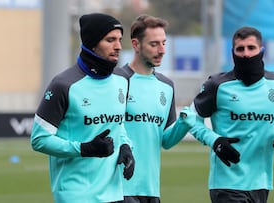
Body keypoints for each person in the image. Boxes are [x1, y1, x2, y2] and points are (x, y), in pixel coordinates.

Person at [30, 13, 135, 203]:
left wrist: (126, 146)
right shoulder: (63, 85)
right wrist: (83, 148)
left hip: (114, 192)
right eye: (110, 40)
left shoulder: (122, 80)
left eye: (119, 40)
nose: (118, 46)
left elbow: (117, 125)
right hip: (76, 194)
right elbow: (38, 139)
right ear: (92, 43)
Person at [188, 26, 274, 203]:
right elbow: (191, 119)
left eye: (251, 48)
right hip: (226, 185)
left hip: (261, 183)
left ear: (261, 50)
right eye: (240, 49)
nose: (246, 54)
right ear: (233, 52)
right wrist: (214, 140)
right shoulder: (217, 85)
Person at [113, 14, 195, 203]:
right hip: (119, 188)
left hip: (150, 190)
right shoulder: (116, 80)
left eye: (164, 43)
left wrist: (184, 124)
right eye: (154, 44)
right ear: (136, 44)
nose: (162, 50)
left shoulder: (166, 86)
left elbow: (165, 140)